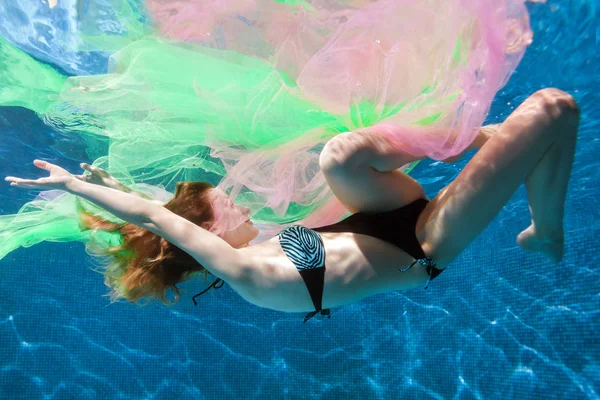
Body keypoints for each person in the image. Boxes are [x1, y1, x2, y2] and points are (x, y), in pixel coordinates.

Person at [5, 88, 579, 321]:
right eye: (224, 205)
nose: (236, 201)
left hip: (372, 218)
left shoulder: (244, 241)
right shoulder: (247, 270)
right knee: (554, 109)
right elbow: (162, 221)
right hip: (422, 245)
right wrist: (77, 188)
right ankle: (544, 228)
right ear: (207, 232)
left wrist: (112, 185)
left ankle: (479, 144)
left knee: (341, 154)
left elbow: (159, 213)